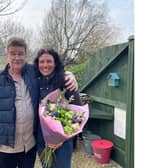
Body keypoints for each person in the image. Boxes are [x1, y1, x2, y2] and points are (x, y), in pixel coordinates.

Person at [0, 37, 78, 168]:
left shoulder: (32, 72)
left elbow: (51, 69)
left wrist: (70, 75)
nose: (17, 58)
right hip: (6, 146)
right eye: (13, 53)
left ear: (26, 55)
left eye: (20, 54)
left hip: (29, 145)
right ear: (6, 53)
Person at [34, 48, 81, 168]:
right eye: (42, 61)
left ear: (55, 63)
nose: (45, 65)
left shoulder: (66, 82)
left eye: (49, 61)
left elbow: (78, 116)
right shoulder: (35, 81)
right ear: (37, 64)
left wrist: (60, 139)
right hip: (41, 139)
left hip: (62, 142)